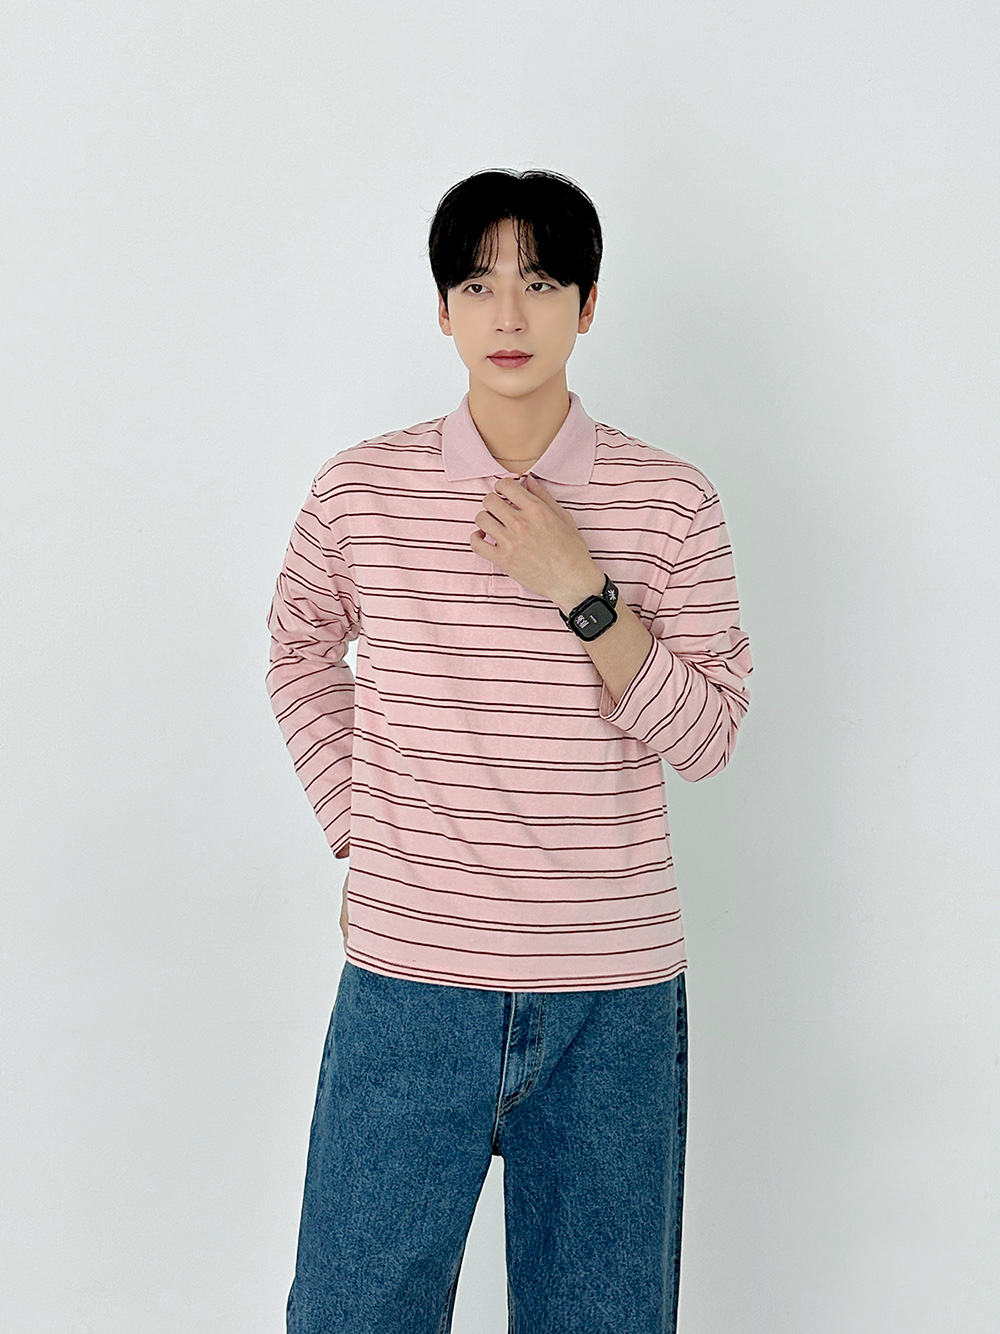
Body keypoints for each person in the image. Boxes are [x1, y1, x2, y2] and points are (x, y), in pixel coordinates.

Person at [266, 167, 753, 1333]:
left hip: (611, 999)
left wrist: (583, 590)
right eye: (479, 284)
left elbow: (708, 735)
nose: (509, 314)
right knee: (351, 1315)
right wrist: (364, 825)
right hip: (409, 982)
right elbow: (296, 649)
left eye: (539, 282)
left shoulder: (671, 500)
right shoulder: (361, 490)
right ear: (442, 309)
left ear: (587, 304)